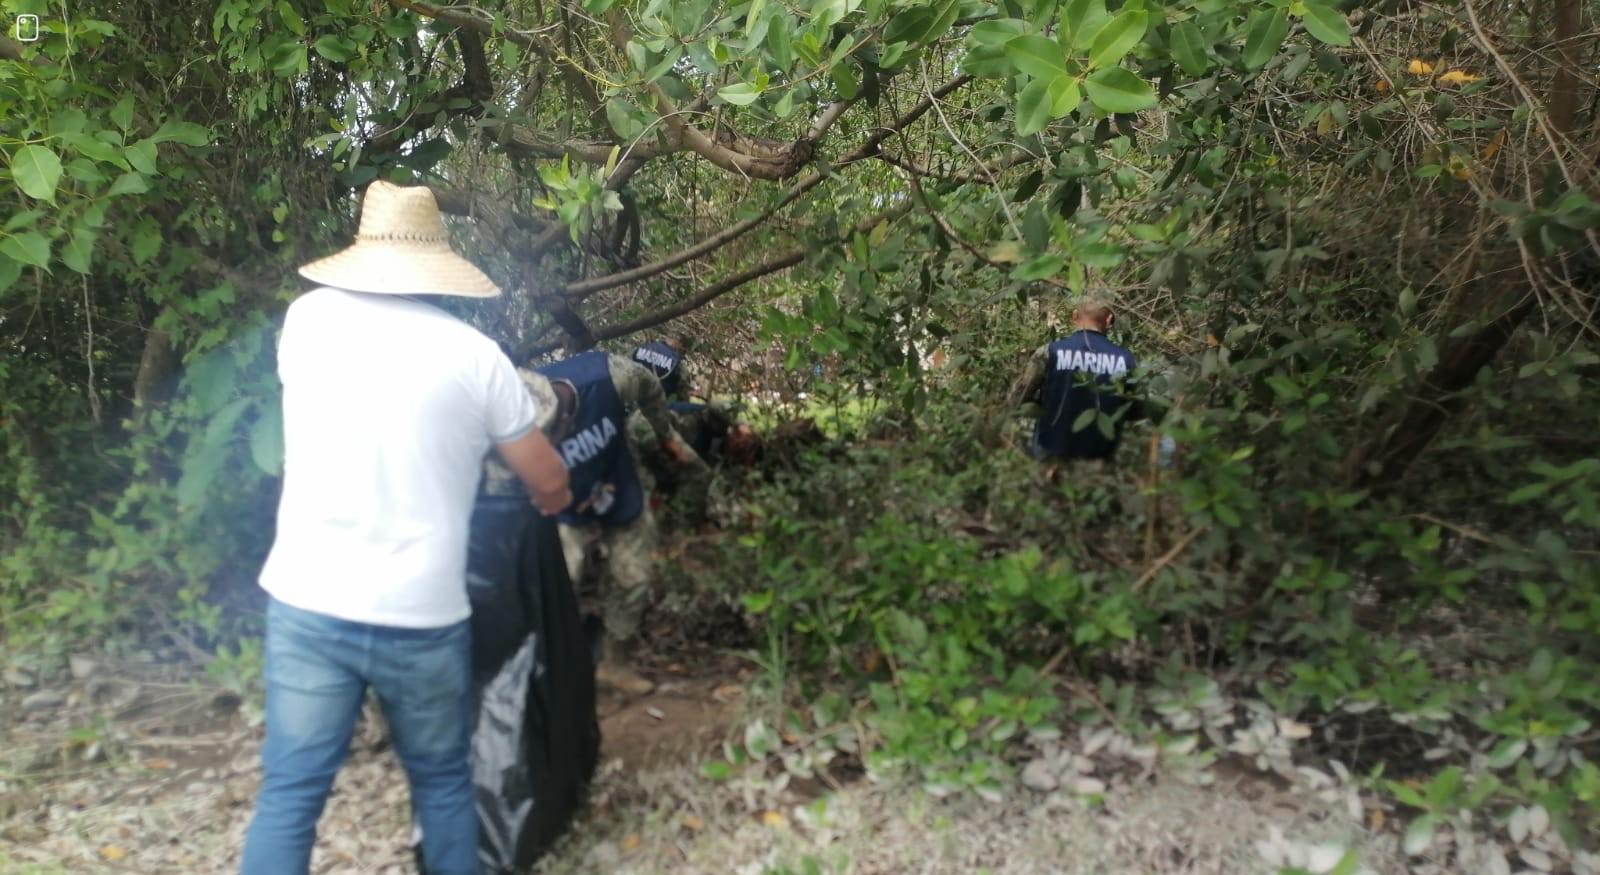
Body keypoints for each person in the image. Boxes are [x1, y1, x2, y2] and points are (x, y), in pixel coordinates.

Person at [241, 181, 572, 875]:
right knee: (443, 785)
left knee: (291, 794)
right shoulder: (477, 357)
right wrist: (553, 496)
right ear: (439, 264)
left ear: (365, 250)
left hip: (309, 602)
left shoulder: (306, 320)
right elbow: (544, 478)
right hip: (421, 617)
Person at [482, 350, 708, 697]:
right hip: (563, 509)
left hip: (616, 481)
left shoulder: (608, 377)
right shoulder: (512, 428)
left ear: (565, 415)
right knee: (557, 585)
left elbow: (649, 385)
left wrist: (664, 432)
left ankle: (614, 664)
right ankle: (553, 669)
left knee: (634, 577)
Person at [1006, 298, 1142, 464]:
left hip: (1050, 453)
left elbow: (1017, 399)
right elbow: (1134, 410)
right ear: (1109, 320)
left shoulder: (1050, 352)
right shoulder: (1126, 360)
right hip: (1100, 459)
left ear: (1075, 316)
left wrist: (1047, 406)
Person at [630, 335, 690, 400]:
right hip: (653, 403)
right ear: (679, 343)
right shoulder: (677, 363)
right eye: (683, 351)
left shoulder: (641, 347)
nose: (682, 354)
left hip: (630, 395)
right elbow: (683, 394)